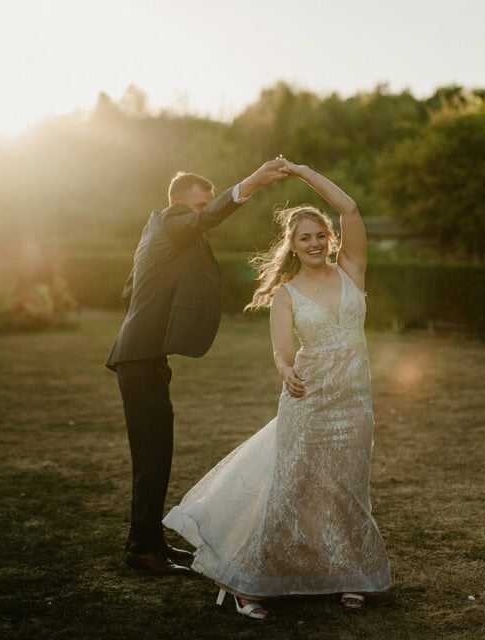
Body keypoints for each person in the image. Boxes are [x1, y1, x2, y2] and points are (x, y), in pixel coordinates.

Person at [163, 162, 391, 616]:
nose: (314, 243)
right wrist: (285, 370)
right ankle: (251, 584)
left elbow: (349, 206)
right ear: (293, 245)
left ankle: (348, 574)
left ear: (330, 237)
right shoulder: (286, 294)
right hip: (309, 401)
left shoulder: (351, 271)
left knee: (347, 490)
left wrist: (304, 172)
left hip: (354, 404)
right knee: (292, 492)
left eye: (320, 235)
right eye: (304, 238)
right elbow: (282, 351)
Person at [106, 158, 293, 576]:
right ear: (178, 203)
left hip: (145, 358)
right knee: (151, 458)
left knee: (158, 455)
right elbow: (204, 220)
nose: (204, 212)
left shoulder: (161, 238)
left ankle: (151, 541)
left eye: (206, 204)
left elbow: (129, 291)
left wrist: (153, 330)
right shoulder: (168, 221)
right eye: (199, 205)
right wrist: (253, 183)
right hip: (139, 361)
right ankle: (141, 547)